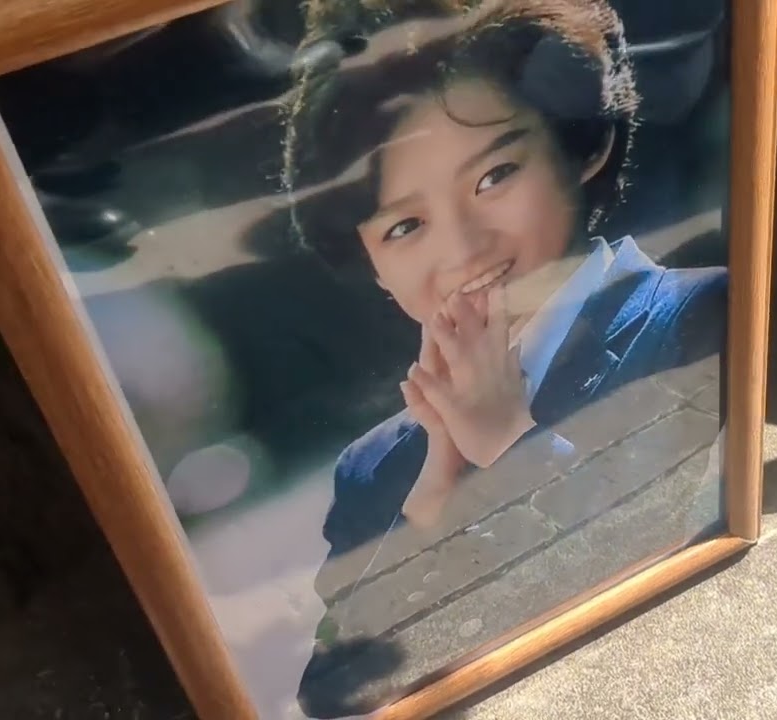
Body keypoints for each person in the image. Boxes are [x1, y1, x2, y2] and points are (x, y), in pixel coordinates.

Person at [280, 1, 727, 715]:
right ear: (371, 265)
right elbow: (335, 697)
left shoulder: (700, 317)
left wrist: (505, 442)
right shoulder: (373, 467)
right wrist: (437, 488)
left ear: (584, 144)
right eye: (405, 225)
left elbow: (677, 596)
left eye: (494, 177)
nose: (462, 250)